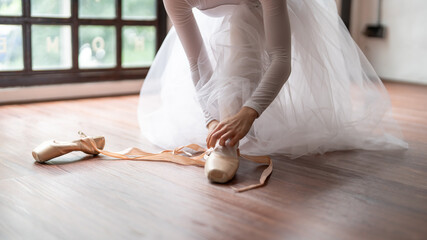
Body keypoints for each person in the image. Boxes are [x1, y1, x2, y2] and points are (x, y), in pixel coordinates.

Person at [138, 0, 408, 183]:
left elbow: (281, 59)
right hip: (227, 15)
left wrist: (248, 112)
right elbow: (197, 61)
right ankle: (226, 138)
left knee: (242, 23)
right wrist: (212, 119)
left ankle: (231, 140)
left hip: (274, 9)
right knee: (231, 41)